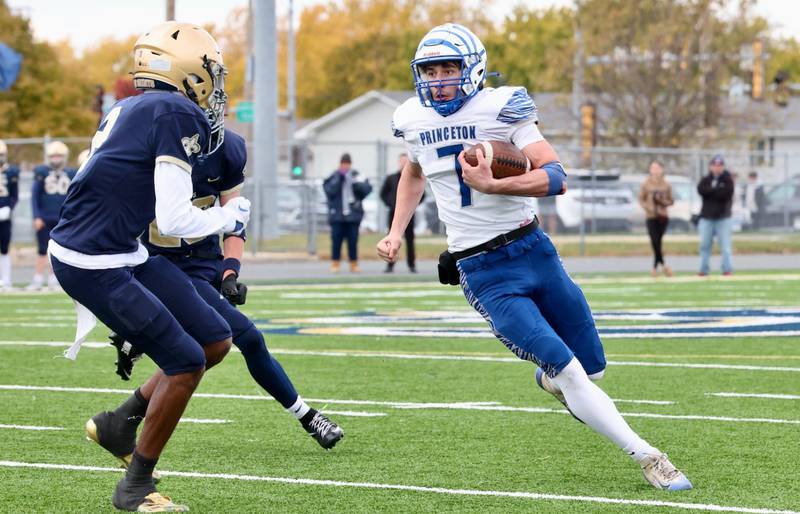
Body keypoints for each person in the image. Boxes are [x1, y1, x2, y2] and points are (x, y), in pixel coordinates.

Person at [378, 23, 692, 491]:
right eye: (430, 70)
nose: (439, 79)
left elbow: (557, 175)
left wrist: (495, 184)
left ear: (474, 69)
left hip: (534, 249)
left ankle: (555, 383)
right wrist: (395, 231)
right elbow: (413, 173)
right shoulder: (412, 118)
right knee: (568, 369)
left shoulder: (501, 107)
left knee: (592, 368)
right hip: (482, 270)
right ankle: (648, 455)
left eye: (449, 68)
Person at [48, 22, 250, 512]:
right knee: (186, 360)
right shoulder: (175, 110)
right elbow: (176, 217)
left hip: (118, 248)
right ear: (190, 73)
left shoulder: (135, 105)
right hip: (93, 260)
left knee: (214, 339)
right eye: (212, 74)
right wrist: (231, 215)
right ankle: (135, 484)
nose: (216, 88)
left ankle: (120, 421)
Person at [97, 127, 343, 452]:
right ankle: (308, 417)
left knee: (212, 347)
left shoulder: (227, 148)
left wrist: (230, 270)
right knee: (240, 339)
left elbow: (234, 219)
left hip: (204, 261)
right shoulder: (147, 144)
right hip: (161, 266)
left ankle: (129, 393)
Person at [28, 141, 75, 290]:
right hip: (45, 217)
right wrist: (36, 216)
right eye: (53, 156)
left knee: (60, 252)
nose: (56, 159)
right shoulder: (41, 172)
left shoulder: (72, 173)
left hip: (63, 218)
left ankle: (55, 279)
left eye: (59, 156)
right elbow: (35, 196)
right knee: (42, 249)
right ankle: (38, 279)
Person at [323, 153, 372, 273]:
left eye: (347, 164)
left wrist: (355, 183)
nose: (345, 167)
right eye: (343, 164)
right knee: (336, 241)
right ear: (340, 164)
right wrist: (340, 179)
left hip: (353, 215)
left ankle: (353, 263)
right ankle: (335, 263)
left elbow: (367, 190)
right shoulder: (334, 176)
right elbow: (329, 191)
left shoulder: (357, 175)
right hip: (337, 216)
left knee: (353, 241)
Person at [380, 153, 422, 273]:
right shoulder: (391, 178)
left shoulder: (415, 177)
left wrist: (411, 206)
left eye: (406, 161)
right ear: (399, 162)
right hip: (393, 214)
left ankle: (412, 265)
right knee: (391, 239)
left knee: (410, 240)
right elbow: (382, 194)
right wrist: (391, 204)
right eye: (402, 161)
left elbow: (421, 194)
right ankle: (390, 265)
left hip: (409, 215)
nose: (403, 163)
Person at [697, 155, 734, 276]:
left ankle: (727, 269)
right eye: (714, 165)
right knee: (704, 246)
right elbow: (701, 190)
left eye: (719, 165)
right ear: (711, 166)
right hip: (706, 218)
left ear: (723, 166)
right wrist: (715, 190)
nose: (717, 168)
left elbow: (725, 195)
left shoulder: (728, 180)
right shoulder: (706, 179)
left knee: (725, 247)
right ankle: (703, 270)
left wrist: (712, 191)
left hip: (723, 218)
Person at [638, 160, 674, 277]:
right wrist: (648, 207)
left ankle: (655, 268)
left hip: (662, 216)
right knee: (655, 241)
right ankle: (662, 266)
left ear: (662, 169)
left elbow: (671, 200)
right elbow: (641, 199)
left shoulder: (666, 184)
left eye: (657, 168)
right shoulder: (645, 184)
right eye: (653, 168)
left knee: (658, 241)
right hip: (651, 216)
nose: (655, 170)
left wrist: (662, 201)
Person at [0, 139, 19, 290]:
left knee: (4, 248)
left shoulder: (11, 171)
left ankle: (6, 280)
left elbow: (14, 195)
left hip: (4, 215)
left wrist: (9, 208)